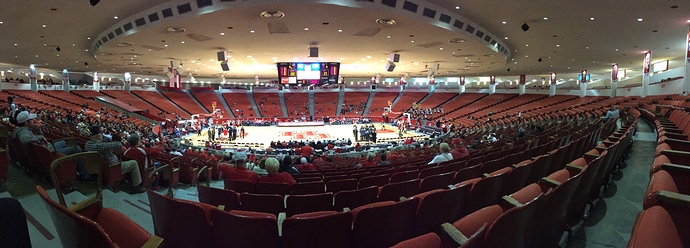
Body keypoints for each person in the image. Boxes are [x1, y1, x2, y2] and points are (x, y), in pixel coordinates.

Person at [12, 111, 91, 182]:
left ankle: (70, 158)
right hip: (50, 152)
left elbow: (40, 138)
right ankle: (83, 174)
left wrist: (39, 131)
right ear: (26, 122)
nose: (33, 120)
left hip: (47, 147)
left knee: (63, 141)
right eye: (31, 119)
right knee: (77, 148)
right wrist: (40, 137)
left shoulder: (26, 129)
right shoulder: (23, 132)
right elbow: (24, 139)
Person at [85, 126, 145, 194]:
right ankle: (136, 187)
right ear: (98, 136)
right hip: (114, 167)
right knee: (134, 163)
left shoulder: (87, 144)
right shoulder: (101, 146)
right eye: (101, 134)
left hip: (100, 168)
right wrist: (113, 139)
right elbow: (118, 144)